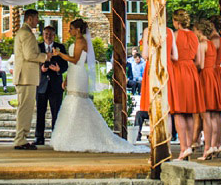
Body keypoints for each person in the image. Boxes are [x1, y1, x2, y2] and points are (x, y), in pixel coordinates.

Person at [49, 19, 148, 153]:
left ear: (78, 30)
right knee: (71, 102)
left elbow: (76, 59)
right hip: (73, 73)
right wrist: (66, 78)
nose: (69, 31)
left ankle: (78, 137)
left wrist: (59, 54)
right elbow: (73, 63)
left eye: (71, 28)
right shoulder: (76, 41)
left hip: (79, 75)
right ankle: (71, 136)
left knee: (78, 102)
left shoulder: (81, 41)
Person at [169, 9, 204, 160]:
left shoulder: (175, 35)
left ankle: (184, 147)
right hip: (192, 71)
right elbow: (198, 61)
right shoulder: (194, 36)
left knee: (178, 111)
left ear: (176, 22)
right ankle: (189, 145)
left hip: (178, 71)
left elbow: (172, 56)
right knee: (189, 111)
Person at [12, 9, 48, 149]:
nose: (38, 21)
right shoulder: (27, 34)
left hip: (25, 76)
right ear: (30, 19)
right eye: (36, 18)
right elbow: (29, 55)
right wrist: (45, 57)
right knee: (25, 109)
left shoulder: (22, 33)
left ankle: (21, 137)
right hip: (26, 77)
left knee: (25, 108)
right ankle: (21, 139)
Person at [195, 19, 221, 161]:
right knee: (215, 113)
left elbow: (201, 64)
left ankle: (209, 146)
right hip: (215, 74)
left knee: (207, 113)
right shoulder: (214, 41)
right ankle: (215, 144)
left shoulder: (207, 43)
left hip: (207, 75)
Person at [139, 23, 178, 142]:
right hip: (167, 68)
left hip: (153, 67)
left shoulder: (148, 30)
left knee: (153, 103)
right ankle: (168, 139)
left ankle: (155, 139)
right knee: (167, 107)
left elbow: (145, 55)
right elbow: (175, 56)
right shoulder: (170, 31)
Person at [35, 25, 67, 145]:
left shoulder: (60, 47)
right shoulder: (38, 47)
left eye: (50, 34)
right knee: (40, 112)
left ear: (54, 35)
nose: (48, 36)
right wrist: (40, 68)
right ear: (43, 35)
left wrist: (59, 69)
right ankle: (39, 137)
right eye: (46, 34)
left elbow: (65, 65)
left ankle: (56, 136)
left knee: (56, 112)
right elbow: (33, 62)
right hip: (41, 84)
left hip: (55, 85)